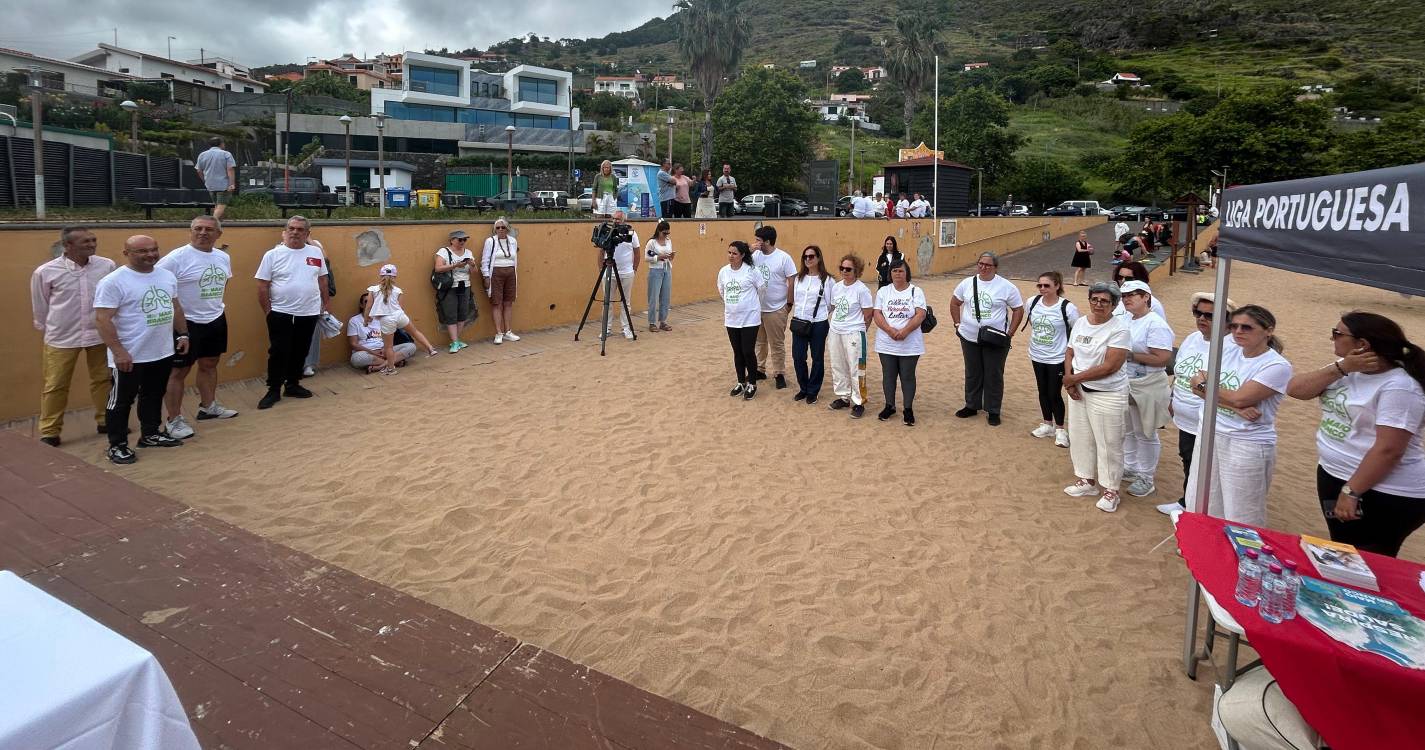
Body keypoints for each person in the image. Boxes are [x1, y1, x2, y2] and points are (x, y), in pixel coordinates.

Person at [1287, 311, 1425, 557]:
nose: (1332, 339)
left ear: (1363, 345)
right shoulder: (1346, 368)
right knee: (1344, 550)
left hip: (1383, 491)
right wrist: (1340, 368)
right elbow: (1296, 389)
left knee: (1367, 557)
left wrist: (1351, 491)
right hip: (1336, 474)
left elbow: (1389, 450)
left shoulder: (1400, 387)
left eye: (1337, 334)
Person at [1184, 305, 1293, 526]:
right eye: (1234, 326)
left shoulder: (1276, 365)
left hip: (1246, 442)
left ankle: (1241, 557)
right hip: (1210, 432)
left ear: (1268, 331)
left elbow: (1239, 398)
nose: (1238, 332)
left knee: (1241, 510)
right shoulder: (1228, 349)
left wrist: (1226, 398)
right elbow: (1195, 383)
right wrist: (1233, 406)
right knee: (1201, 498)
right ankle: (1207, 546)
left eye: (1246, 327)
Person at [94, 235, 188, 464]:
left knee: (153, 394)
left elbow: (174, 307)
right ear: (126, 254)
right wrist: (119, 352)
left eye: (154, 249)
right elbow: (102, 319)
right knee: (121, 400)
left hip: (161, 351)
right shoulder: (113, 281)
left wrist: (183, 334)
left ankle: (151, 434)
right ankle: (117, 445)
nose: (150, 255)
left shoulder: (166, 275)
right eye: (142, 251)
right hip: (130, 355)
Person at [30, 225, 116, 447]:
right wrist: (47, 327)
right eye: (85, 242)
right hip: (62, 336)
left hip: (98, 334)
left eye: (93, 240)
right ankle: (49, 431)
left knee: (103, 379)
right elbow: (40, 305)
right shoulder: (45, 272)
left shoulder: (106, 266)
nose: (92, 244)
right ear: (67, 246)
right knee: (56, 384)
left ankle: (106, 420)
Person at [156, 216, 238, 441]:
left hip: (215, 318)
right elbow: (157, 285)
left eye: (209, 229)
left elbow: (223, 282)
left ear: (218, 234)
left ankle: (208, 406)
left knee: (210, 364)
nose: (203, 233)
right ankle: (174, 420)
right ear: (190, 232)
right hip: (186, 323)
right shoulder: (176, 258)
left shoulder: (222, 256)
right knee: (178, 372)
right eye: (198, 229)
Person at [1157, 292, 1238, 516]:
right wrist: (1173, 397)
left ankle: (1202, 509)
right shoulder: (1193, 338)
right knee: (1188, 459)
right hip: (1185, 417)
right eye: (1198, 313)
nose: (1202, 318)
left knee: (1207, 467)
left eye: (1210, 315)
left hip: (1210, 420)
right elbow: (1181, 371)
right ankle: (1187, 501)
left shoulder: (1232, 347)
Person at [1061, 282, 1131, 512]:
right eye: (1095, 299)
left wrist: (1074, 379)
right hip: (1079, 389)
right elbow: (1070, 351)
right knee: (1081, 437)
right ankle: (1086, 479)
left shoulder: (1119, 329)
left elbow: (1111, 365)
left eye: (1104, 301)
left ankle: (1111, 489)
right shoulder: (1081, 322)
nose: (1098, 304)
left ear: (1113, 305)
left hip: (1107, 393)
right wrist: (1069, 378)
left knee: (1109, 442)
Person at [254, 216, 329, 410]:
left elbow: (322, 280)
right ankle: (273, 389)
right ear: (286, 231)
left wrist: (324, 304)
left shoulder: (315, 252)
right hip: (281, 312)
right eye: (292, 229)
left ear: (307, 234)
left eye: (300, 230)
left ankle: (293, 384)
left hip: (309, 311)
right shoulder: (272, 255)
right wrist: (268, 311)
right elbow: (262, 285)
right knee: (279, 351)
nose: (295, 232)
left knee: (301, 349)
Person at [951, 252, 1024, 426]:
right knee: (973, 372)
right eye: (981, 264)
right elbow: (955, 302)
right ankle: (972, 405)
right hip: (969, 336)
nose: (983, 267)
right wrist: (957, 324)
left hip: (995, 338)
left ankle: (993, 410)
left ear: (995, 267)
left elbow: (1018, 310)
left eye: (988, 265)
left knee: (994, 374)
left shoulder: (1006, 286)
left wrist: (1010, 333)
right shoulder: (966, 283)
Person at [1118, 281, 1175, 500]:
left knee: (1147, 432)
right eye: (1124, 296)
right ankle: (1131, 467)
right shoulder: (1125, 319)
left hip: (1149, 384)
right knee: (1130, 428)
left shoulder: (1155, 324)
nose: (1127, 299)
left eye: (1133, 295)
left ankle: (1146, 477)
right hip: (1128, 381)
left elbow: (1162, 357)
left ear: (1146, 297)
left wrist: (1129, 356)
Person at [1023, 271, 1079, 448]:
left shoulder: (1067, 308)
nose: (1042, 288)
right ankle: (1047, 423)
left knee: (1054, 393)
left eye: (1046, 285)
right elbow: (1033, 323)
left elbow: (1076, 331)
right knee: (1042, 390)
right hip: (1037, 354)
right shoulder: (1032, 302)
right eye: (1039, 285)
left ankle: (1061, 429)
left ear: (1057, 286)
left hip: (1057, 357)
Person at [873, 259, 928, 426]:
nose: (897, 274)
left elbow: (920, 314)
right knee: (888, 376)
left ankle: (908, 409)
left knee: (907, 376)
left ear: (907, 273)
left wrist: (905, 331)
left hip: (909, 342)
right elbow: (877, 314)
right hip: (886, 342)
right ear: (890, 273)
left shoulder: (915, 291)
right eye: (894, 271)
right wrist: (890, 331)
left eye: (901, 271)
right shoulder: (883, 291)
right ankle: (889, 406)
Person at [364, 264, 438, 374]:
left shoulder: (373, 289)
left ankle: (391, 369)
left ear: (381, 276)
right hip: (399, 315)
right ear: (394, 277)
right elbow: (401, 307)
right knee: (415, 332)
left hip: (386, 319)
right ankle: (430, 349)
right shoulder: (398, 290)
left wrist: (366, 319)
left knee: (388, 347)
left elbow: (369, 306)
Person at [827, 254, 873, 419]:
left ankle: (859, 401)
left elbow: (868, 314)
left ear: (857, 271)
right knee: (837, 365)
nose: (844, 271)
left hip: (854, 332)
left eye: (848, 269)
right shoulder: (837, 287)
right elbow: (834, 307)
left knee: (856, 368)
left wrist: (861, 332)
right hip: (835, 330)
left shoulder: (862, 290)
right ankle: (843, 396)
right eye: (842, 268)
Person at [718, 241, 766, 398]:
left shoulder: (751, 271)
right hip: (732, 318)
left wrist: (751, 305)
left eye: (735, 253)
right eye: (729, 252)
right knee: (737, 351)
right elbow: (722, 290)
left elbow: (762, 289)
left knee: (747, 351)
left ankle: (752, 383)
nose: (731, 256)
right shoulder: (724, 272)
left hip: (750, 318)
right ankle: (741, 382)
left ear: (743, 255)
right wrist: (733, 305)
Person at [752, 225, 797, 388]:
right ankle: (759, 368)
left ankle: (779, 373)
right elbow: (741, 262)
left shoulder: (783, 258)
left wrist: (789, 303)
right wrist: (750, 250)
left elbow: (791, 280)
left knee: (776, 342)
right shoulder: (755, 255)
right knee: (759, 341)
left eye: (758, 240)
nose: (756, 243)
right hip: (758, 307)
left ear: (768, 241)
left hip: (777, 307)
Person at [790, 245, 835, 405]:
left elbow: (831, 304)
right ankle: (803, 388)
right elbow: (796, 299)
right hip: (799, 322)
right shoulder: (798, 279)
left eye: (811, 256)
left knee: (817, 358)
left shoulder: (827, 280)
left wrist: (819, 315)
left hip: (818, 323)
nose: (808, 259)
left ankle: (813, 390)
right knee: (798, 357)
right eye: (805, 257)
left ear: (818, 258)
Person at [348, 291, 418, 372]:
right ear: (361, 305)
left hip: (384, 350)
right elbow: (354, 344)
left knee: (411, 347)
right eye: (366, 302)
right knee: (356, 359)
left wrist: (385, 349)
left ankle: (379, 367)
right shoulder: (354, 321)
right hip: (367, 352)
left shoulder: (381, 318)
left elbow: (388, 337)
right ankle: (393, 362)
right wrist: (372, 352)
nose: (369, 304)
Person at [598, 209, 641, 339]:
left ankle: (626, 329)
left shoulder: (631, 234)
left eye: (617, 219)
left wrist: (634, 269)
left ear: (623, 220)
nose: (615, 221)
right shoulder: (607, 232)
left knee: (625, 302)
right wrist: (601, 270)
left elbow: (637, 252)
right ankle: (606, 328)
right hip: (609, 272)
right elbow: (600, 252)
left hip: (626, 273)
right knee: (607, 302)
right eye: (614, 219)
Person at [434, 229, 477, 353]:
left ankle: (456, 340)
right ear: (452, 240)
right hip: (450, 287)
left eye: (465, 239)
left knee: (463, 313)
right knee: (451, 314)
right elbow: (438, 268)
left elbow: (474, 273)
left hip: (465, 285)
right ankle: (454, 342)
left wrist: (473, 265)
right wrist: (455, 265)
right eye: (460, 239)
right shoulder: (444, 251)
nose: (463, 242)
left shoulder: (468, 252)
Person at [481, 218, 521, 344]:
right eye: (497, 227)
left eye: (503, 227)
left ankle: (508, 331)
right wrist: (486, 276)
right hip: (496, 274)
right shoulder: (490, 241)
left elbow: (514, 258)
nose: (500, 230)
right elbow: (485, 260)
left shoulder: (512, 241)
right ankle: (499, 332)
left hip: (510, 273)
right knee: (496, 303)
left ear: (507, 228)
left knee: (508, 303)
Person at [195, 137, 237, 221]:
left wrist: (205, 180)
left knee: (217, 206)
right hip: (223, 185)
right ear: (221, 144)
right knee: (221, 205)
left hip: (210, 185)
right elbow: (230, 169)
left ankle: (218, 225)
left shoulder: (202, 154)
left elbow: (199, 171)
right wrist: (231, 184)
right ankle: (212, 223)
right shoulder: (226, 154)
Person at [644, 219, 675, 331]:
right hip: (655, 270)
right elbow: (647, 258)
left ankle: (663, 321)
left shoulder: (668, 241)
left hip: (667, 268)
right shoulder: (651, 242)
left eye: (668, 233)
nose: (666, 235)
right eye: (664, 233)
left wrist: (671, 257)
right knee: (653, 297)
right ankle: (652, 322)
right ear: (659, 231)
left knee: (665, 296)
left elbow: (670, 254)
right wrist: (658, 257)